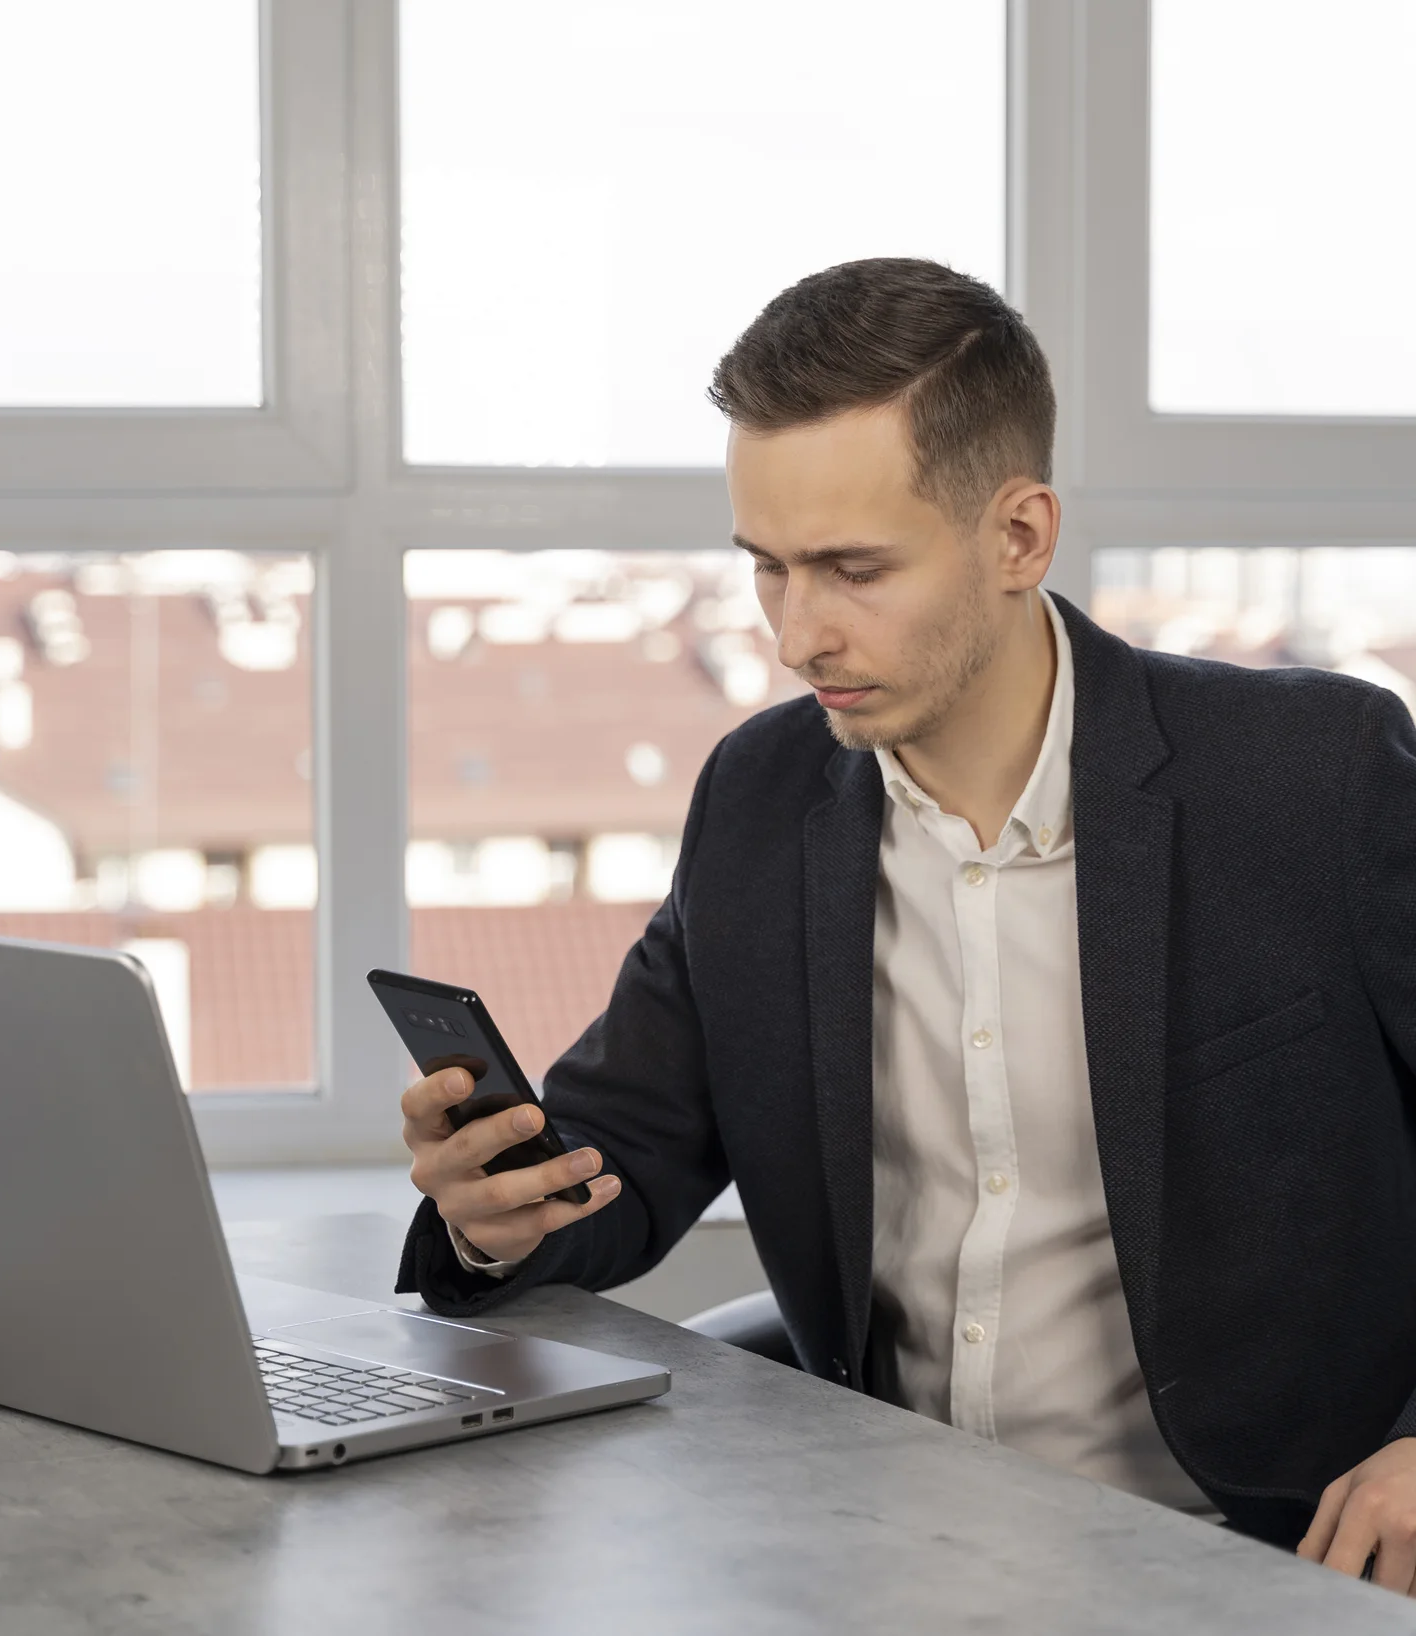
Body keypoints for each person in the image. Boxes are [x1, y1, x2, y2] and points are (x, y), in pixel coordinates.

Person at [393, 257, 1416, 1585]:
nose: (796, 634)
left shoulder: (1311, 776)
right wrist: (499, 1208)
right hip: (885, 1551)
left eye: (854, 569)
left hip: (1271, 1556)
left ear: (1021, 536)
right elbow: (625, 1149)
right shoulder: (760, 797)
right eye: (767, 569)